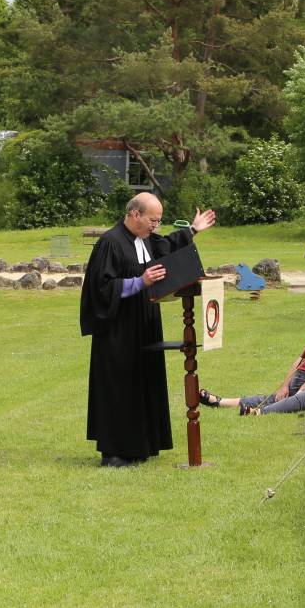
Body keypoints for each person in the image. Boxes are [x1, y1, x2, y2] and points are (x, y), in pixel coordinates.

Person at [80, 193, 216, 467]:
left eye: (159, 220)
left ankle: (140, 446)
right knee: (120, 385)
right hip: (119, 329)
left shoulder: (145, 240)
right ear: (134, 214)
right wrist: (139, 282)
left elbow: (166, 246)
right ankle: (115, 452)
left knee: (143, 381)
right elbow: (100, 289)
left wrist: (192, 230)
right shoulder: (110, 243)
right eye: (152, 220)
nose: (156, 225)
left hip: (145, 322)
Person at [201, 306, 305, 415]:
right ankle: (221, 402)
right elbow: (299, 361)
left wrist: (304, 388)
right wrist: (285, 386)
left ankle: (259, 413)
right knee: (276, 397)